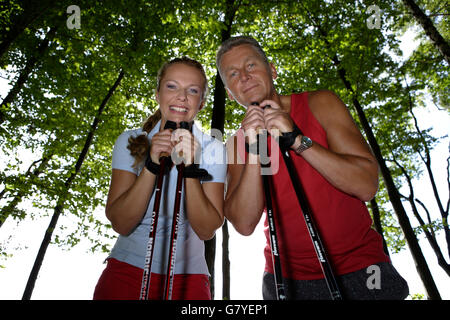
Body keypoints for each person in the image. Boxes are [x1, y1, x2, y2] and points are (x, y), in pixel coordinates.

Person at [216, 36, 409, 300]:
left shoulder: (320, 104)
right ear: (230, 93)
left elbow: (366, 185)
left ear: (272, 70)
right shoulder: (236, 145)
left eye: (251, 66)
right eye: (234, 74)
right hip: (287, 279)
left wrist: (297, 139)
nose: (245, 77)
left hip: (363, 268)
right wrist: (254, 147)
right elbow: (244, 223)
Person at [93, 57, 226, 300]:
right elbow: (121, 223)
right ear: (157, 94)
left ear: (202, 103)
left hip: (188, 278)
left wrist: (191, 169)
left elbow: (207, 229)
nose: (182, 96)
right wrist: (152, 166)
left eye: (193, 90)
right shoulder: (132, 140)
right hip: (126, 272)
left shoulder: (214, 149)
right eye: (172, 86)